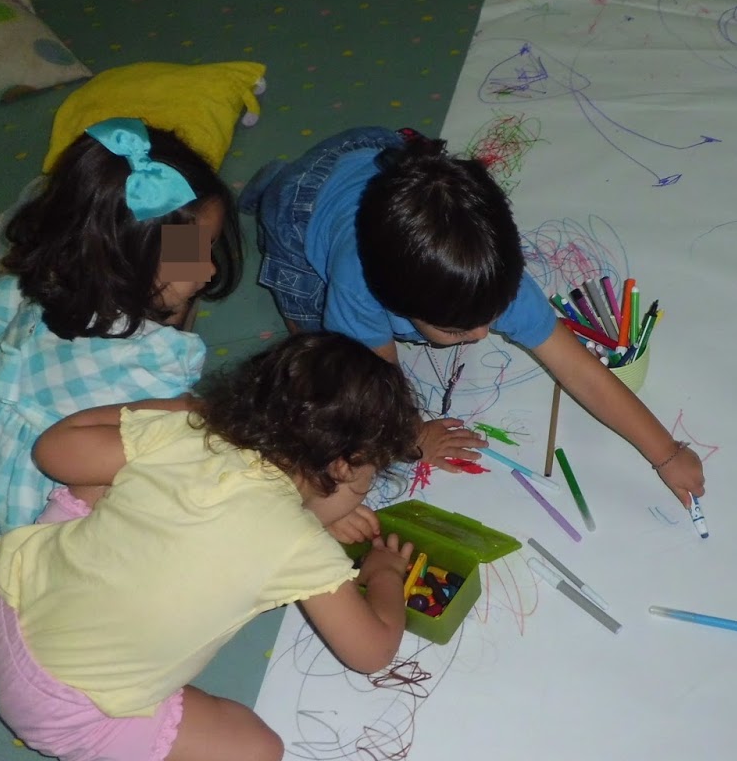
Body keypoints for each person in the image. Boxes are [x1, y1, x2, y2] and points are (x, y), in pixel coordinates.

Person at [0, 331, 423, 761]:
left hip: (12, 596)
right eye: (369, 477)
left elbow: (53, 449)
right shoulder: (302, 547)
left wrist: (189, 410)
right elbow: (371, 653)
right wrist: (384, 575)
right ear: (344, 467)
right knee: (254, 760)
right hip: (58, 706)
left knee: (120, 473)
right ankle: (127, 700)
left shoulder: (188, 434)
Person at [241, 126, 705, 510]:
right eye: (456, 329)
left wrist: (665, 453)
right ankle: (268, 188)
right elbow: (375, 392)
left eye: (488, 318)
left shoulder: (492, 283)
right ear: (393, 303)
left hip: (379, 158)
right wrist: (415, 435)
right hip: (302, 212)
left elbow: (582, 372)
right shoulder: (357, 286)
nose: (482, 334)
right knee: (322, 363)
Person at [0, 119, 241, 542]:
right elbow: (165, 438)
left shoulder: (20, 291)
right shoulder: (153, 362)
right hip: (32, 514)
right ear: (125, 260)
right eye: (194, 253)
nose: (209, 269)